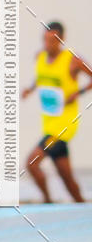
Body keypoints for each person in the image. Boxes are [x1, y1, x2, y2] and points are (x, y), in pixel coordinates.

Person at [22, 21, 92, 203]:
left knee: (32, 163)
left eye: (52, 41)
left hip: (64, 126)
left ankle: (47, 201)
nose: (48, 45)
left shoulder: (73, 60)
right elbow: (41, 78)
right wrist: (30, 89)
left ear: (61, 39)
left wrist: (78, 93)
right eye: (45, 40)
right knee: (66, 176)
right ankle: (82, 205)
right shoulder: (40, 57)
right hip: (49, 123)